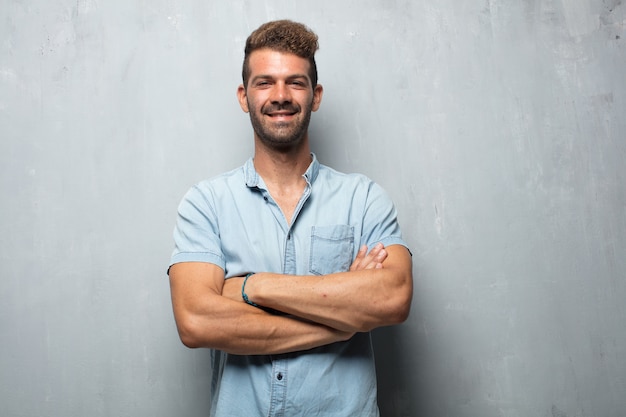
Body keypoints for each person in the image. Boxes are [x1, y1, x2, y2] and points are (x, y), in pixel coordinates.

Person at [168, 19, 413, 416]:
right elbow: (195, 320)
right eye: (265, 82)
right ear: (243, 96)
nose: (280, 95)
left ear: (315, 96)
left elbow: (393, 296)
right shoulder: (206, 203)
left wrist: (253, 286)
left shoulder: (364, 198)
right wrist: (341, 319)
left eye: (295, 83)